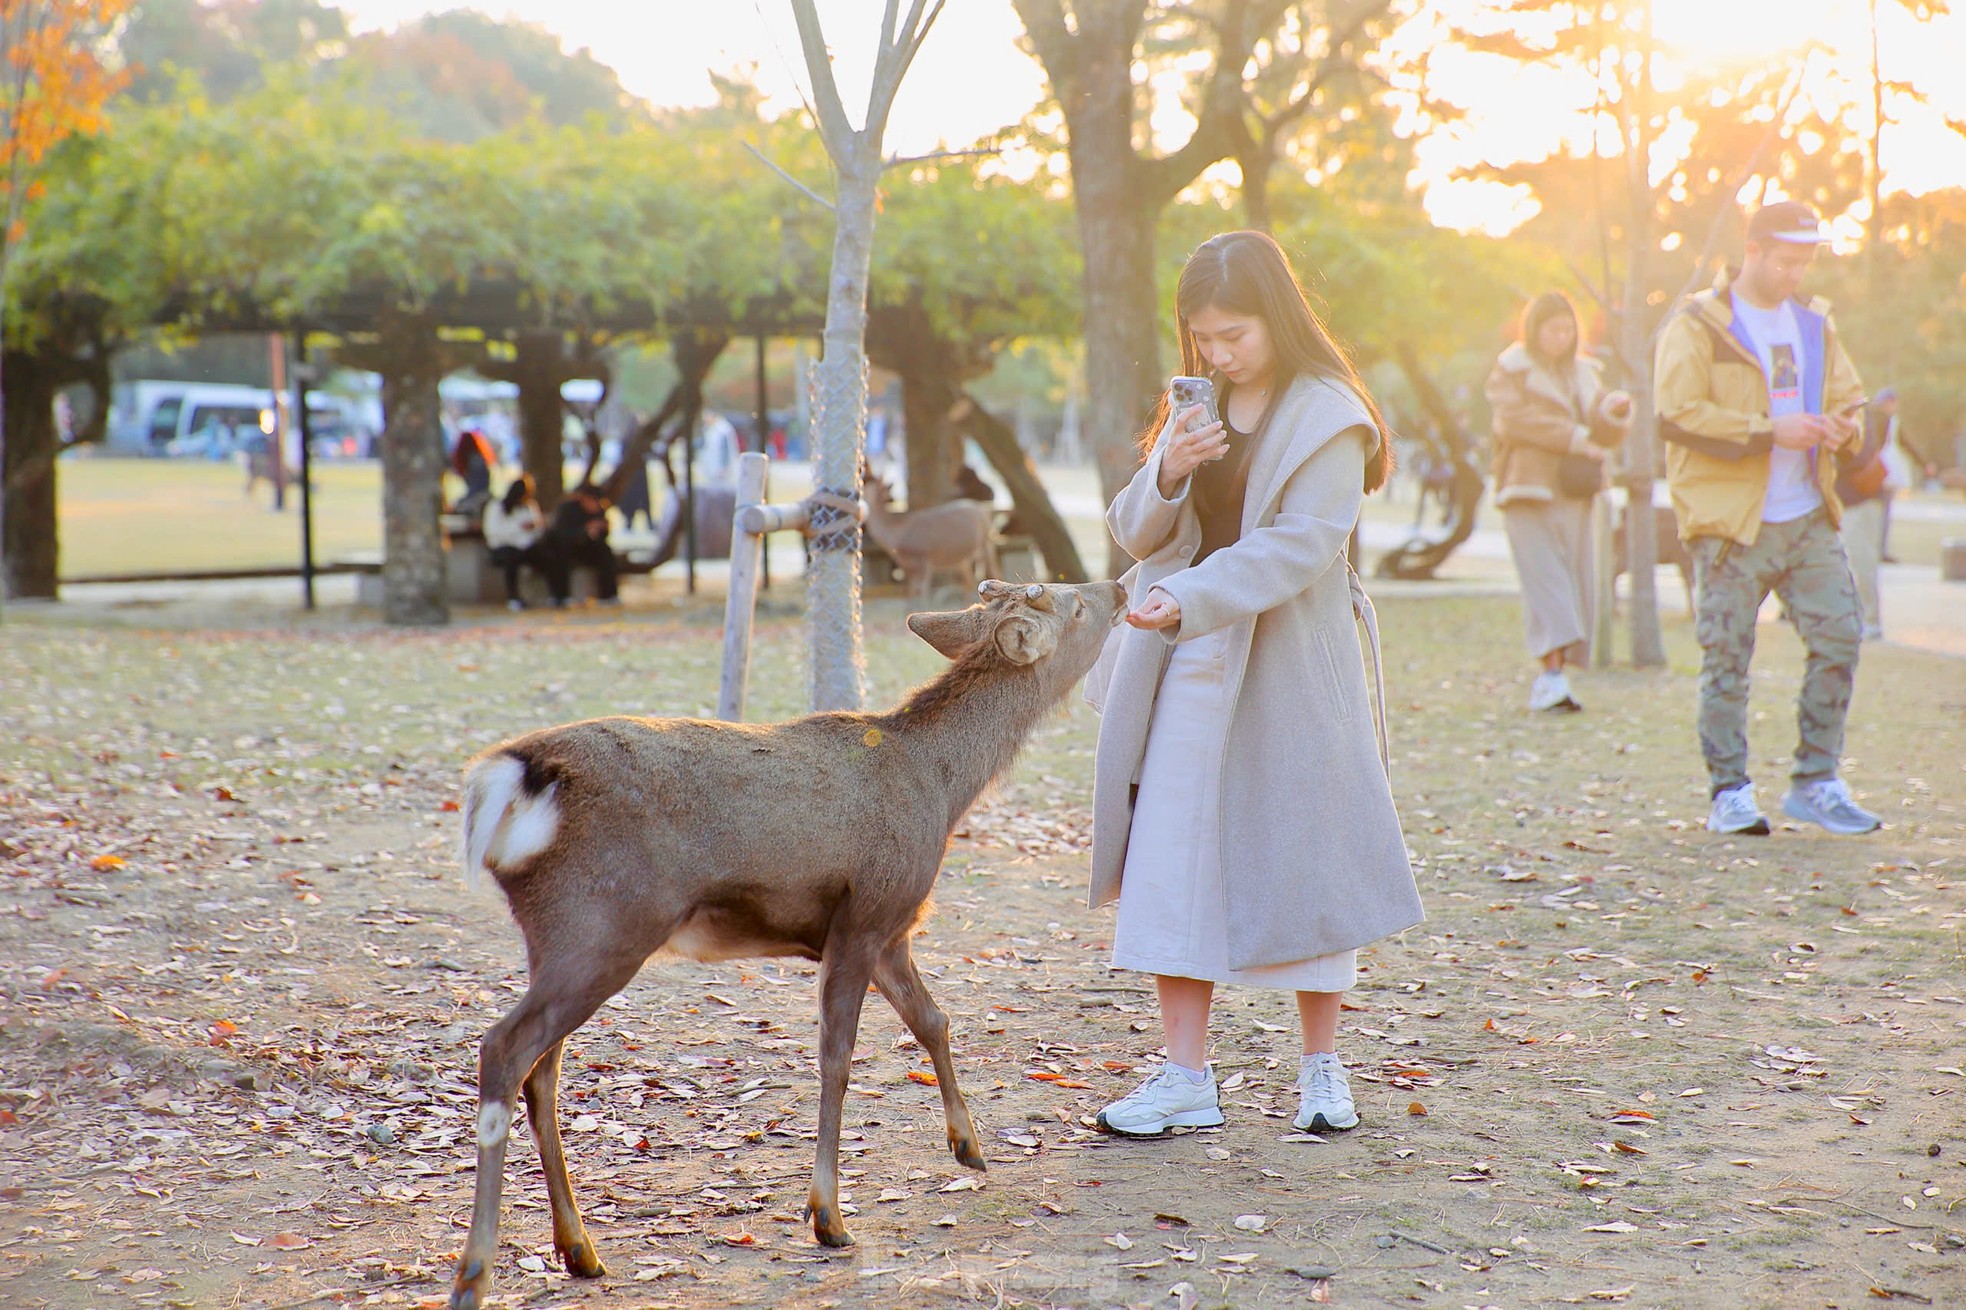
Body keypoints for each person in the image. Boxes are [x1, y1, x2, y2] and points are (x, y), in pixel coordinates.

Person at [1085, 230, 1423, 1138]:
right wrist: (1169, 468)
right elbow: (1133, 530)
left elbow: (1306, 544)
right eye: (1203, 337)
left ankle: (1322, 1069)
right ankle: (1186, 1077)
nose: (1218, 353)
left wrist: (1186, 593)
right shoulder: (1203, 404)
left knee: (1305, 855)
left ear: (1274, 314)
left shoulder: (1328, 413)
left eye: (1234, 333)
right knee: (1170, 855)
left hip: (1286, 658)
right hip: (1186, 653)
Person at [1653, 200, 1880, 837]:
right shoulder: (1699, 322)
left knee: (1841, 636)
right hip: (1731, 522)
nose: (1794, 275)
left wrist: (1844, 427)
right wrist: (1765, 431)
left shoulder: (1814, 322)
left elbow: (1848, 396)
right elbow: (1675, 413)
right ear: (1752, 251)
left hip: (1807, 513)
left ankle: (1817, 780)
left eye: (1804, 263)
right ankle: (1729, 791)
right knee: (1726, 659)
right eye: (1784, 261)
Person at [1484, 291, 1634, 712]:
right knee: (1546, 584)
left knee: (1577, 580)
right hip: (1526, 489)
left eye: (1568, 330)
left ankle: (1557, 676)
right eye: (1553, 329)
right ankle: (1549, 676)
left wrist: (1616, 412)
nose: (1561, 338)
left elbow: (1604, 430)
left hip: (1577, 490)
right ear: (1535, 329)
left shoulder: (1587, 374)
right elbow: (1513, 420)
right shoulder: (1510, 370)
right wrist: (1574, 438)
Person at [1836, 389, 1901, 640]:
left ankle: (1870, 620)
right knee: (1848, 561)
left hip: (1860, 498)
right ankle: (1857, 617)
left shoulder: (1860, 415)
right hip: (1846, 499)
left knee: (1862, 560)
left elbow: (1859, 455)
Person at [483, 475, 569, 611]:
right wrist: (519, 528)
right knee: (511, 560)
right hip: (503, 547)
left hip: (526, 546)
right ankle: (514, 598)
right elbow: (493, 531)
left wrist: (535, 528)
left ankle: (558, 595)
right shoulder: (496, 507)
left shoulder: (529, 506)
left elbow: (537, 530)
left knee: (550, 557)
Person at [549, 480, 621, 605]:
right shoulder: (568, 510)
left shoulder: (599, 511)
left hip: (586, 548)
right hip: (566, 547)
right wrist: (585, 530)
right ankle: (560, 596)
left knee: (606, 552)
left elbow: (601, 536)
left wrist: (601, 530)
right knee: (558, 557)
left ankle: (609, 595)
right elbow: (562, 535)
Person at [450, 427, 498, 516]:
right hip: (481, 495)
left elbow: (477, 486)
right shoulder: (478, 459)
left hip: (478, 496)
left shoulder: (468, 462)